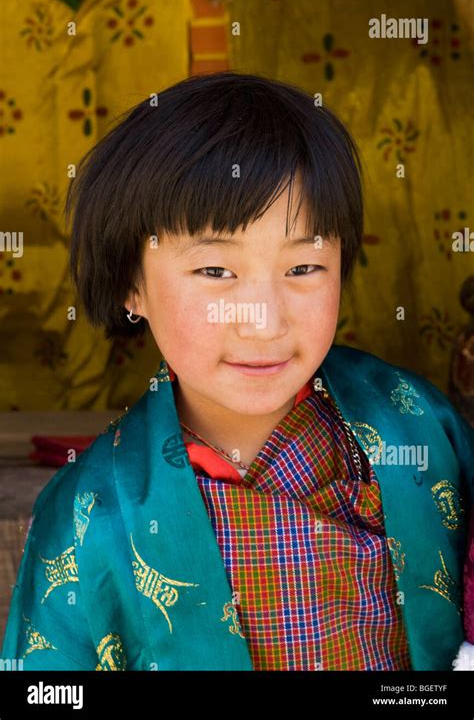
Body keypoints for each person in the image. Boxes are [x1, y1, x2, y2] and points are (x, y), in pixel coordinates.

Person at [2, 72, 473, 671]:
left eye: (303, 267)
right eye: (215, 272)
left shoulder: (416, 422)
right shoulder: (89, 512)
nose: (264, 321)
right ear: (131, 285)